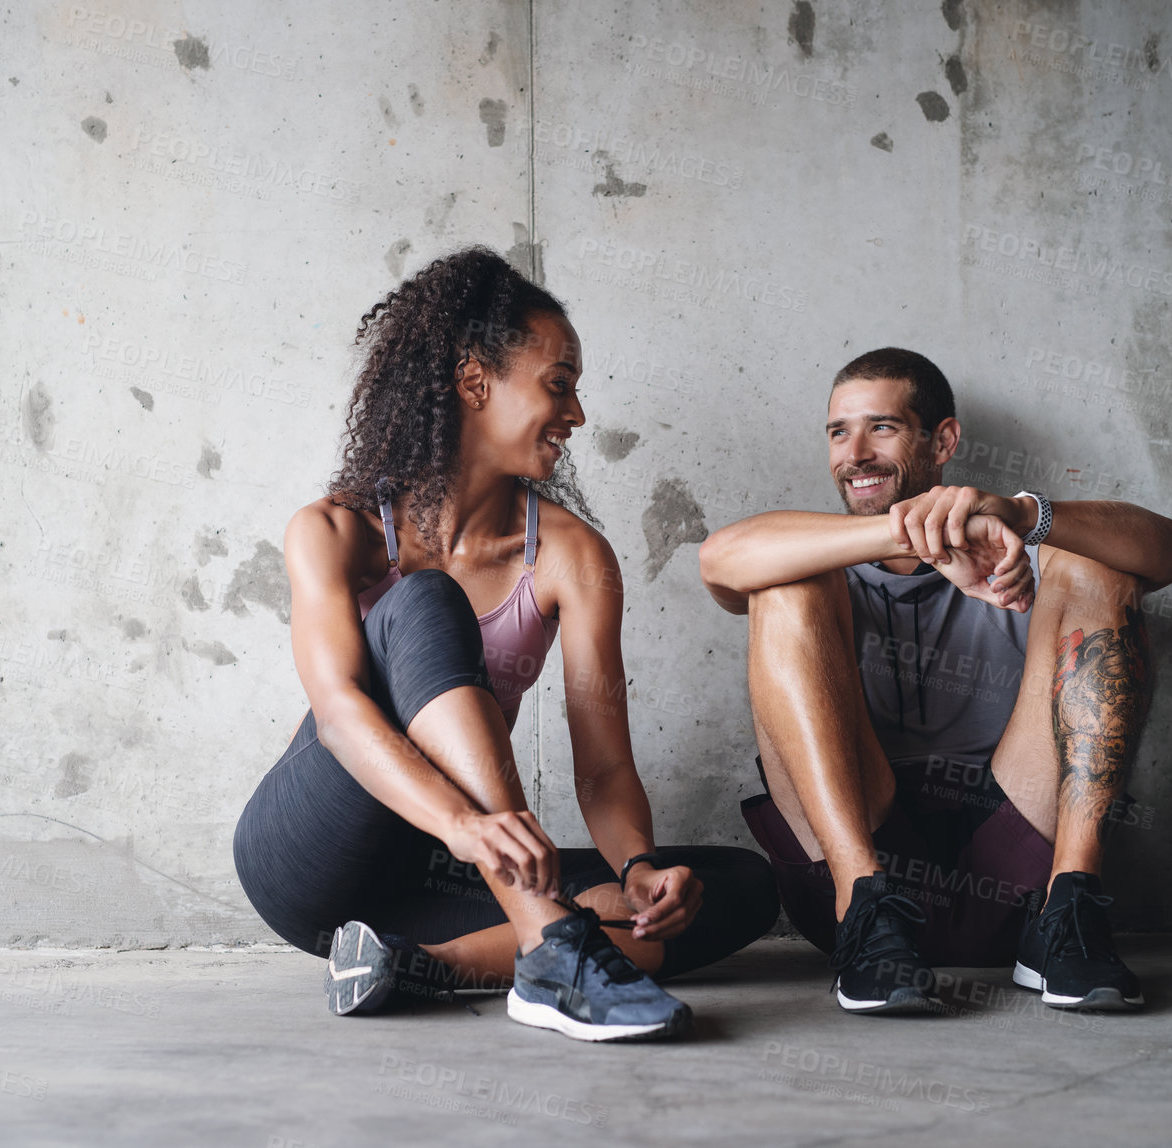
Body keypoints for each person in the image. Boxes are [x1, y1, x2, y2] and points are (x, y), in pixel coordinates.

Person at [234, 248, 778, 1042]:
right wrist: (461, 824)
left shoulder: (572, 558)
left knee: (732, 886)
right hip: (315, 852)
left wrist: (636, 868)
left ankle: (426, 962)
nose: (579, 416)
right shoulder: (336, 531)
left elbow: (604, 768)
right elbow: (341, 716)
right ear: (475, 381)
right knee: (427, 600)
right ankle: (552, 946)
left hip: (447, 875)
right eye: (559, 384)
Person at [698, 347, 1172, 1014]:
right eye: (838, 432)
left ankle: (1072, 908)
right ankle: (865, 909)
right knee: (784, 586)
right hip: (856, 864)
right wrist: (910, 537)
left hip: (1016, 870)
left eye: (882, 427)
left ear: (943, 440)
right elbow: (720, 560)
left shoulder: (1011, 545)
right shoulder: (819, 559)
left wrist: (1018, 516)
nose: (855, 453)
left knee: (1095, 565)